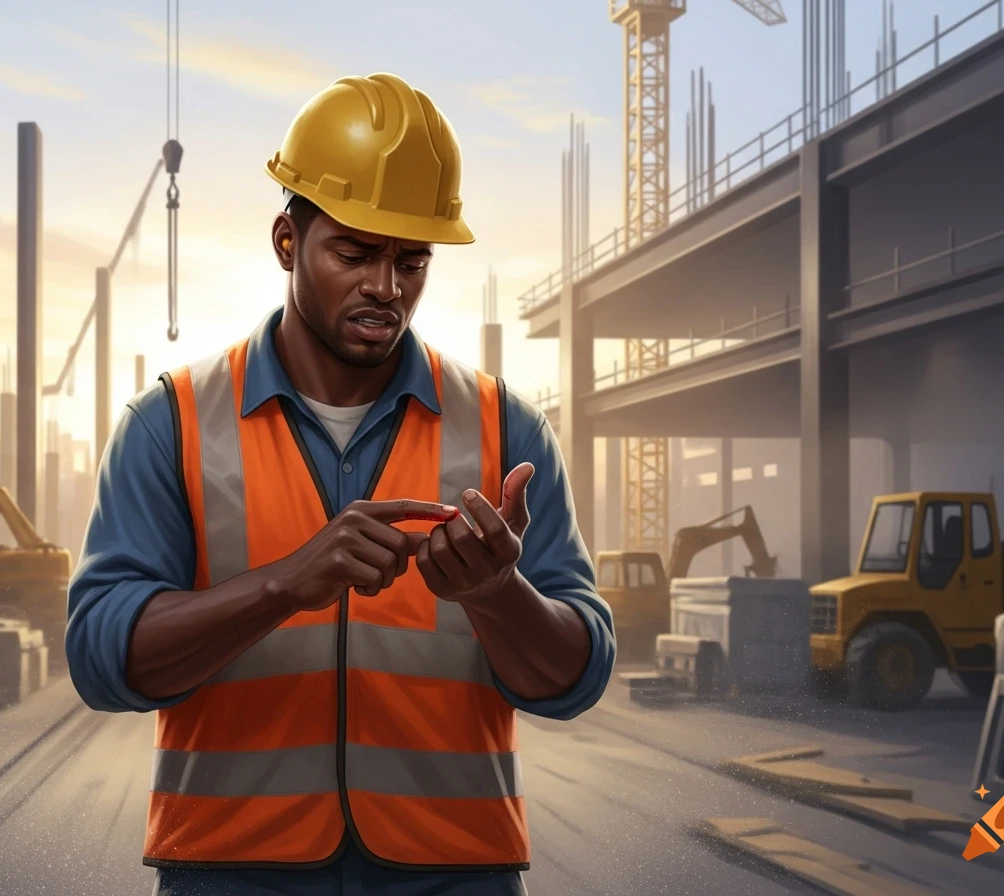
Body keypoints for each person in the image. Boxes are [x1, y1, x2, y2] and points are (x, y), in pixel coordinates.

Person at [66, 72, 616, 896]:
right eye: (355, 254)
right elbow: (102, 660)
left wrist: (500, 594)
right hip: (232, 872)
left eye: (411, 261)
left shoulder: (509, 431)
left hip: (454, 876)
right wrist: (286, 583)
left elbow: (575, 681)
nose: (386, 289)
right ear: (288, 241)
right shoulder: (171, 424)